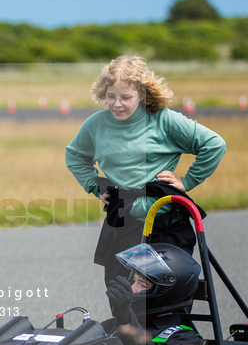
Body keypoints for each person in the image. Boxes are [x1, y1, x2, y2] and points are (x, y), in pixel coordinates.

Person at [64, 55, 226, 288]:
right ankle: (127, 326)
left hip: (165, 219)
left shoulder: (164, 120)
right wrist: (94, 184)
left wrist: (188, 181)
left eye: (125, 97)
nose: (116, 104)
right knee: (122, 293)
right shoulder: (96, 124)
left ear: (142, 94)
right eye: (110, 96)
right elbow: (74, 155)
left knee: (165, 291)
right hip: (122, 219)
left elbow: (214, 144)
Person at [105, 242, 204, 345]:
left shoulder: (184, 339)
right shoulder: (115, 323)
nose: (132, 289)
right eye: (134, 280)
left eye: (143, 284)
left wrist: (126, 325)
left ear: (166, 293)